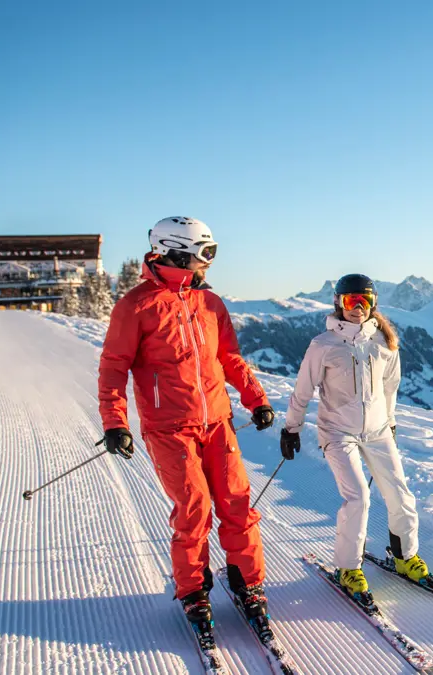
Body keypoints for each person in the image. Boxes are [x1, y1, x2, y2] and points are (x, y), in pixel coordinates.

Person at [98, 216, 277, 629]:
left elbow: (228, 358)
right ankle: (194, 591)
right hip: (168, 427)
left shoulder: (210, 303)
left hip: (217, 421)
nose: (209, 263)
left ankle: (247, 584)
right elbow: (113, 367)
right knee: (194, 508)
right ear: (178, 251)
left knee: (236, 502)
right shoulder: (136, 306)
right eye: (205, 254)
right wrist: (115, 422)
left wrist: (256, 399)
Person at [281, 273, 433, 603]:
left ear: (374, 303)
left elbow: (390, 387)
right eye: (351, 301)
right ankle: (349, 567)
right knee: (359, 498)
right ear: (338, 303)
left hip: (378, 431)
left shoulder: (384, 343)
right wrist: (291, 428)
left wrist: (389, 423)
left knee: (401, 494)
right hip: (338, 432)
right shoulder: (324, 345)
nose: (358, 308)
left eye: (364, 301)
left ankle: (405, 557)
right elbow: (303, 390)